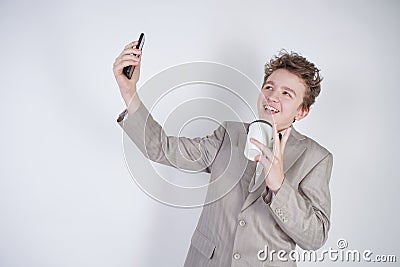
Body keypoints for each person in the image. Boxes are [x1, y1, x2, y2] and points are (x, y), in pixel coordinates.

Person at [113, 40, 333, 267]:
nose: (273, 96)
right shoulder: (228, 134)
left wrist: (279, 186)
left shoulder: (316, 159)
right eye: (269, 87)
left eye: (287, 93)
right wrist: (129, 92)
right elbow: (162, 149)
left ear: (303, 111)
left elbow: (315, 237)